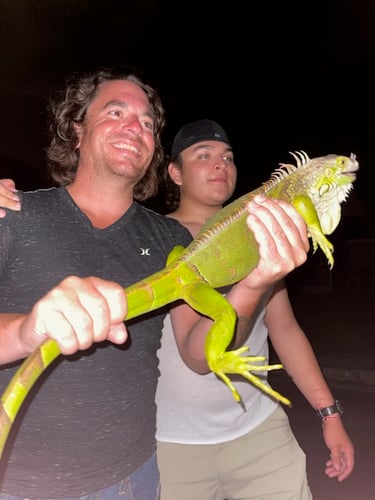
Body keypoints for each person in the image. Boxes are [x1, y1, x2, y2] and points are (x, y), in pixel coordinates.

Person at [0, 70, 310, 500]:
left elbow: (198, 354)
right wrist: (25, 331)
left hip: (135, 479)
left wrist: (258, 281)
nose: (136, 127)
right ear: (76, 129)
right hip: (18, 485)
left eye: (148, 123)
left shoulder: (171, 241)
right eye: (116, 112)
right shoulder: (13, 213)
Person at [154, 119, 355, 499]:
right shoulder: (156, 237)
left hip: (261, 432)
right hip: (176, 446)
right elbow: (197, 356)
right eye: (204, 155)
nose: (221, 164)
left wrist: (330, 414)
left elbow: (285, 330)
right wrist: (253, 282)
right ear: (175, 172)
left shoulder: (257, 229)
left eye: (228, 156)